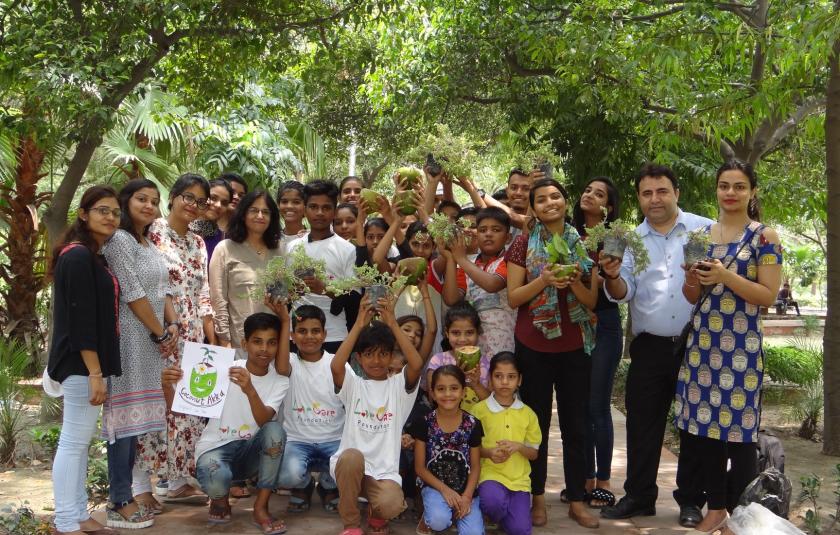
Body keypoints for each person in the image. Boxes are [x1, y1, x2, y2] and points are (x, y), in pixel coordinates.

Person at [599, 163, 715, 527]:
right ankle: (639, 496)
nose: (655, 199)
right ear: (639, 198)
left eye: (662, 191)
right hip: (649, 345)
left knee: (694, 424)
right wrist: (613, 276)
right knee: (643, 423)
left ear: (676, 192)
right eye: (647, 193)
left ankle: (692, 500)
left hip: (698, 342)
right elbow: (622, 293)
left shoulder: (704, 229)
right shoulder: (630, 239)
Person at [675, 160, 782, 533]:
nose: (731, 193)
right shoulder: (700, 235)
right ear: (716, 190)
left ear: (752, 192)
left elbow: (766, 295)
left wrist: (725, 275)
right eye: (724, 186)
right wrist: (692, 279)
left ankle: (743, 515)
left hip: (742, 347)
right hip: (703, 345)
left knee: (739, 434)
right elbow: (691, 297)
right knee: (705, 433)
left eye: (739, 186)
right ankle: (716, 509)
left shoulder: (765, 236)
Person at [505, 177, 600, 528]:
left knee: (576, 425)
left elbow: (590, 301)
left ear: (565, 200)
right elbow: (514, 298)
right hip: (533, 346)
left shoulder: (583, 245)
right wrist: (543, 280)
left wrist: (573, 278)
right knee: (536, 426)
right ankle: (537, 499)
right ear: (532, 208)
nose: (550, 203)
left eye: (556, 196)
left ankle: (576, 500)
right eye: (541, 199)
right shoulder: (520, 246)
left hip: (575, 345)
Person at [163, 312, 289, 534]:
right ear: (245, 343)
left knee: (275, 431)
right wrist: (167, 386)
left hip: (250, 454)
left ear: (278, 346)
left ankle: (261, 507)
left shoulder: (280, 381)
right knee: (216, 479)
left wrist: (250, 389)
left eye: (271, 343)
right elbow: (180, 411)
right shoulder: (222, 368)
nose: (264, 349)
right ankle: (220, 499)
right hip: (216, 449)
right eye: (257, 341)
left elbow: (263, 419)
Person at [101, 179, 180, 527]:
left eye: (153, 200)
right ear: (125, 201)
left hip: (151, 343)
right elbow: (132, 292)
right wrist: (159, 330)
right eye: (141, 199)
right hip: (128, 341)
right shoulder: (118, 239)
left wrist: (173, 324)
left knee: (137, 424)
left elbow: (162, 288)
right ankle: (119, 499)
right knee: (123, 423)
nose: (148, 205)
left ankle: (128, 494)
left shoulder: (148, 242)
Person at [49, 186, 122, 535]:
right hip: (81, 364)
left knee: (78, 444)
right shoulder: (77, 257)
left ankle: (78, 515)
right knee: (73, 442)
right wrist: (95, 372)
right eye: (102, 210)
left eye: (115, 212)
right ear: (83, 213)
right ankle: (65, 521)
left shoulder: (91, 256)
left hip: (88, 364)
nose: (110, 217)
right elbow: (80, 322)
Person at [330, 295, 424, 535]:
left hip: (383, 474)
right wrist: (359, 324)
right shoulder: (354, 385)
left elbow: (415, 364)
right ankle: (351, 525)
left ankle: (376, 511)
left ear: (391, 357)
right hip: (350, 469)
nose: (376, 360)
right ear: (359, 358)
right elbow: (336, 366)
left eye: (383, 354)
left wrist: (392, 322)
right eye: (369, 354)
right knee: (350, 457)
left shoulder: (398, 388)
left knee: (391, 505)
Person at [145, 173, 214, 502]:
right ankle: (158, 478)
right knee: (165, 404)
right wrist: (164, 330)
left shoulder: (199, 242)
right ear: (172, 197)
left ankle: (180, 479)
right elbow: (155, 287)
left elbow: (204, 294)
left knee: (190, 406)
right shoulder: (153, 232)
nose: (194, 205)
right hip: (163, 331)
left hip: (195, 334)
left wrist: (210, 339)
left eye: (201, 201)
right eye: (188, 197)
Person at [572, 176, 624, 508]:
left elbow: (613, 287)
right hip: (574, 326)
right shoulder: (568, 236)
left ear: (609, 206)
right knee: (578, 408)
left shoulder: (615, 239)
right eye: (588, 190)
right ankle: (584, 478)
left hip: (604, 324)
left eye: (599, 193)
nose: (590, 195)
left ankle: (603, 480)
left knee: (598, 407)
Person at [273, 305, 345, 514]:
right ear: (293, 336)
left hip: (333, 440)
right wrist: (285, 320)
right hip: (297, 441)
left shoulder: (336, 364)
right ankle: (302, 484)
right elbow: (282, 369)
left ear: (324, 334)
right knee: (287, 476)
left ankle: (327, 484)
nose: (309, 336)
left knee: (348, 468)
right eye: (302, 331)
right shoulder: (289, 363)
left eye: (315, 331)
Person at [472, 353, 540, 535]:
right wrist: (489, 453)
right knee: (492, 502)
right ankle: (495, 510)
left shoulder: (528, 414)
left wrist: (519, 446)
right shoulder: (479, 411)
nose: (504, 382)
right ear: (490, 379)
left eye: (511, 377)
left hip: (520, 482)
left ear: (519, 380)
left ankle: (505, 514)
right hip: (490, 476)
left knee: (521, 530)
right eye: (498, 376)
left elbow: (534, 454)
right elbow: (471, 450)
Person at [410, 366, 484, 535]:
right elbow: (420, 468)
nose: (448, 394)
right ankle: (432, 515)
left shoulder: (473, 424)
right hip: (435, 487)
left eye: (454, 388)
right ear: (433, 393)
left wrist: (466, 497)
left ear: (463, 392)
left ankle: (456, 511)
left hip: (465, 490)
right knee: (438, 521)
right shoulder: (425, 423)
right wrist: (445, 490)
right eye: (441, 389)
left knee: (473, 533)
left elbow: (475, 466)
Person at [287, 180, 359, 353]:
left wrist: (324, 288)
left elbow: (355, 296)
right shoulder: (292, 247)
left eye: (326, 208)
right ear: (305, 210)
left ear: (334, 211)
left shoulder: (348, 249)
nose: (319, 213)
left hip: (334, 335)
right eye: (313, 207)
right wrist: (292, 290)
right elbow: (284, 293)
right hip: (296, 335)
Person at [209, 190, 283, 348]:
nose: (260, 216)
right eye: (254, 210)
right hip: (239, 342)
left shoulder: (279, 251)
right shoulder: (225, 249)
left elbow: (280, 299)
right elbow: (218, 300)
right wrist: (225, 341)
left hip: (271, 344)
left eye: (266, 212)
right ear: (243, 214)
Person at [441, 206, 515, 360]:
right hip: (468, 345)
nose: (488, 234)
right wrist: (450, 258)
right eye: (482, 230)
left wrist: (460, 258)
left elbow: (492, 284)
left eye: (496, 230)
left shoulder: (509, 260)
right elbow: (451, 299)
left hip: (503, 343)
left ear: (508, 238)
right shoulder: (468, 263)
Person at [425, 304, 489, 411]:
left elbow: (491, 403)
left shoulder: (486, 363)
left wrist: (476, 384)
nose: (462, 339)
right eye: (456, 333)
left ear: (477, 333)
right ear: (447, 333)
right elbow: (433, 399)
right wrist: (456, 377)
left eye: (469, 332)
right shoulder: (438, 361)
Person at [190, 178, 234, 265]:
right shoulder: (181, 226)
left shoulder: (224, 241)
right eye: (213, 198)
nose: (218, 205)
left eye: (224, 203)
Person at [277, 180, 308, 252]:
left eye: (296, 202)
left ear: (305, 206)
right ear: (278, 205)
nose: (289, 206)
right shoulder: (272, 240)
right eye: (284, 202)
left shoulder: (313, 238)